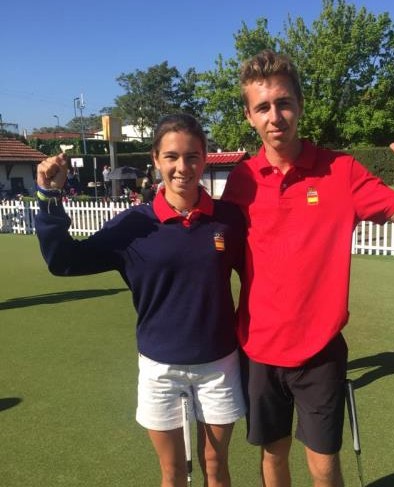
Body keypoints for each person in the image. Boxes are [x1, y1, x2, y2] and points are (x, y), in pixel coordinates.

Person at [222, 49, 394, 487]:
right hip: (258, 347)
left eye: (284, 103)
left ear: (300, 105)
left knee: (324, 466)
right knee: (273, 457)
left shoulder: (340, 171)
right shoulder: (241, 180)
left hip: (320, 351)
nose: (276, 116)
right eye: (263, 107)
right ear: (249, 116)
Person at [35, 113, 246, 487]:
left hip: (219, 365)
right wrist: (50, 198)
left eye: (193, 156)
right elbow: (64, 262)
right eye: (172, 156)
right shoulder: (133, 225)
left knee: (215, 467)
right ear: (156, 159)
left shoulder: (228, 220)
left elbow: (266, 273)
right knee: (172, 472)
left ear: (205, 157)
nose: (183, 167)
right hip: (159, 368)